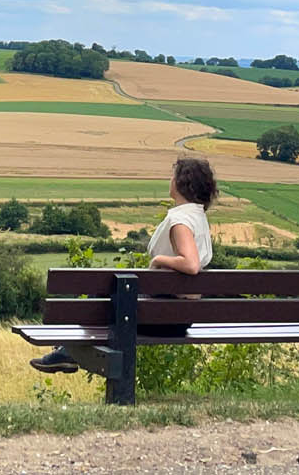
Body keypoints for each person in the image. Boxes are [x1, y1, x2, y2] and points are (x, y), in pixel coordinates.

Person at [30, 156, 217, 373]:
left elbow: (191, 264)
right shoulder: (198, 217)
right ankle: (67, 351)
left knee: (100, 295)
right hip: (181, 316)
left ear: (181, 183)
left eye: (172, 176)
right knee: (106, 298)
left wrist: (158, 260)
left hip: (165, 317)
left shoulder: (181, 221)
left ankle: (67, 352)